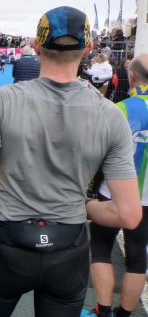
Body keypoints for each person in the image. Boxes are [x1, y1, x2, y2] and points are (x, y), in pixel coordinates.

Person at [0, 6, 141, 317]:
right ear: (88, 48)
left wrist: (8, 193)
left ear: (36, 45)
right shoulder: (111, 115)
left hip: (9, 245)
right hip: (68, 250)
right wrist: (84, 206)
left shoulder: (2, 100)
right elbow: (129, 214)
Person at [84, 54, 148, 317]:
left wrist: (89, 190)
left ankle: (104, 310)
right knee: (138, 259)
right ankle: (124, 314)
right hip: (147, 199)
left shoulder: (120, 109)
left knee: (100, 249)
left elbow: (97, 154)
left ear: (131, 76)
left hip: (113, 193)